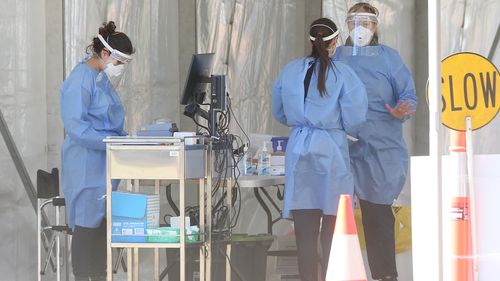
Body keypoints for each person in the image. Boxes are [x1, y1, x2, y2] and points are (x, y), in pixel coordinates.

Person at [272, 18, 368, 281]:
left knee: (304, 229)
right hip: (331, 149)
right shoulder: (344, 74)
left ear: (311, 41)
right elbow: (355, 118)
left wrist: (302, 122)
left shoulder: (290, 71)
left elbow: (279, 111)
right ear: (335, 42)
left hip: (299, 146)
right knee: (333, 227)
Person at [333, 3, 418, 281]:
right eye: (355, 22)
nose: (360, 28)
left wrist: (402, 109)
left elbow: (408, 95)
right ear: (346, 25)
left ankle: (385, 276)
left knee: (377, 217)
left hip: (380, 149)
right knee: (333, 216)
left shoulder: (389, 59)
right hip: (342, 147)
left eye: (367, 22)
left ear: (376, 26)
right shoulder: (336, 58)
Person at [60, 21, 133, 281]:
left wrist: (124, 139)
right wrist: (109, 142)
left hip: (102, 166)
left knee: (101, 228)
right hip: (85, 166)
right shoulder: (81, 79)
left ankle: (101, 277)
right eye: (119, 62)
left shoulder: (100, 79)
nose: (120, 69)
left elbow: (109, 120)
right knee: (86, 228)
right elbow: (77, 128)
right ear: (105, 54)